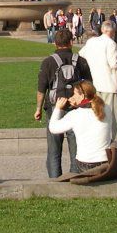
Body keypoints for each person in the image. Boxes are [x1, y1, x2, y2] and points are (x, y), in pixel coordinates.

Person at [33, 28, 92, 178]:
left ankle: (54, 179)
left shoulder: (48, 62)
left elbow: (41, 89)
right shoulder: (80, 60)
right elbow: (89, 85)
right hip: (76, 107)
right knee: (76, 146)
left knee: (54, 148)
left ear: (55, 43)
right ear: (71, 42)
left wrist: (38, 109)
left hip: (55, 106)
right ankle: (75, 176)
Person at [48, 80, 114, 173]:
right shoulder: (106, 108)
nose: (72, 97)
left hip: (86, 163)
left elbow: (53, 128)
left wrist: (58, 108)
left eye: (74, 94)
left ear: (82, 96)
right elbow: (90, 115)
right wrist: (78, 105)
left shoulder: (76, 115)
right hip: (106, 160)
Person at [79, 21, 117, 140]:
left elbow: (81, 55)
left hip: (96, 83)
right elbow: (114, 64)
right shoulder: (111, 43)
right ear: (113, 32)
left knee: (97, 111)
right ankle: (109, 140)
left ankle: (98, 137)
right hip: (110, 84)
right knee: (111, 114)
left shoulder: (92, 42)